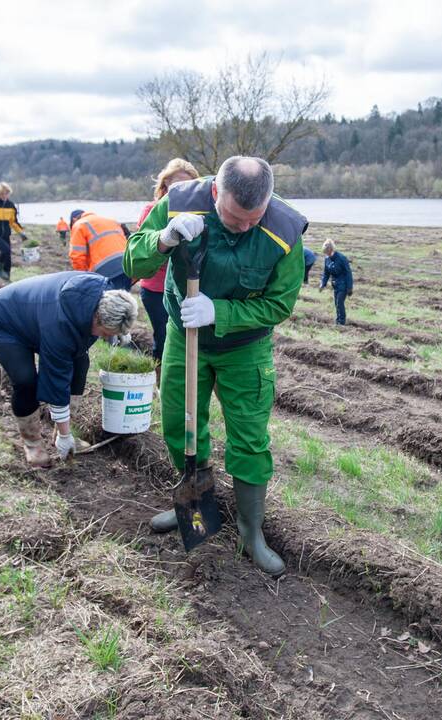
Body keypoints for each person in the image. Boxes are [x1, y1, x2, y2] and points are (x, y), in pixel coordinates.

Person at [125, 156, 305, 576]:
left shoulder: (284, 229)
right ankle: (194, 505)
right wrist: (164, 240)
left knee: (249, 436)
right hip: (183, 335)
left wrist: (219, 312)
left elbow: (280, 303)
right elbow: (133, 263)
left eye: (252, 220)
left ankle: (250, 532)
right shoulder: (178, 202)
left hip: (245, 346)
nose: (243, 227)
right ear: (214, 193)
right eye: (233, 217)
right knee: (180, 422)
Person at [0, 272, 138, 467]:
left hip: (37, 316)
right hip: (5, 321)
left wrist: (119, 333)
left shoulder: (106, 294)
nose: (105, 338)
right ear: (96, 317)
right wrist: (66, 436)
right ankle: (33, 443)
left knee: (81, 365)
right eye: (105, 333)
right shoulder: (61, 327)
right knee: (25, 380)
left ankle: (61, 431)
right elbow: (57, 380)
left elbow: (117, 313)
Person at [135, 159, 200, 378]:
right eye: (177, 188)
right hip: (156, 289)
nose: (182, 193)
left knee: (191, 339)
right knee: (164, 337)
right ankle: (161, 383)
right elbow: (145, 250)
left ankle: (190, 383)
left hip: (187, 288)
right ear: (164, 188)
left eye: (189, 187)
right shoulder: (152, 211)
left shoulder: (199, 216)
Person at [67, 209, 132, 290]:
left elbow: (77, 257)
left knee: (109, 300)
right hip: (127, 264)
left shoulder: (79, 224)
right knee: (124, 298)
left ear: (74, 220)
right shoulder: (110, 220)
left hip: (106, 269)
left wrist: (85, 278)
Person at [318, 239, 353, 325]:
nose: (327, 255)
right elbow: (326, 273)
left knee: (339, 302)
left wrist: (349, 287)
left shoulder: (341, 258)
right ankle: (338, 321)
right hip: (335, 285)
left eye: (328, 253)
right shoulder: (327, 259)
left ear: (331, 250)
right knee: (336, 304)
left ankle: (341, 322)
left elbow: (348, 273)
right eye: (326, 253)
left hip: (343, 285)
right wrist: (323, 283)